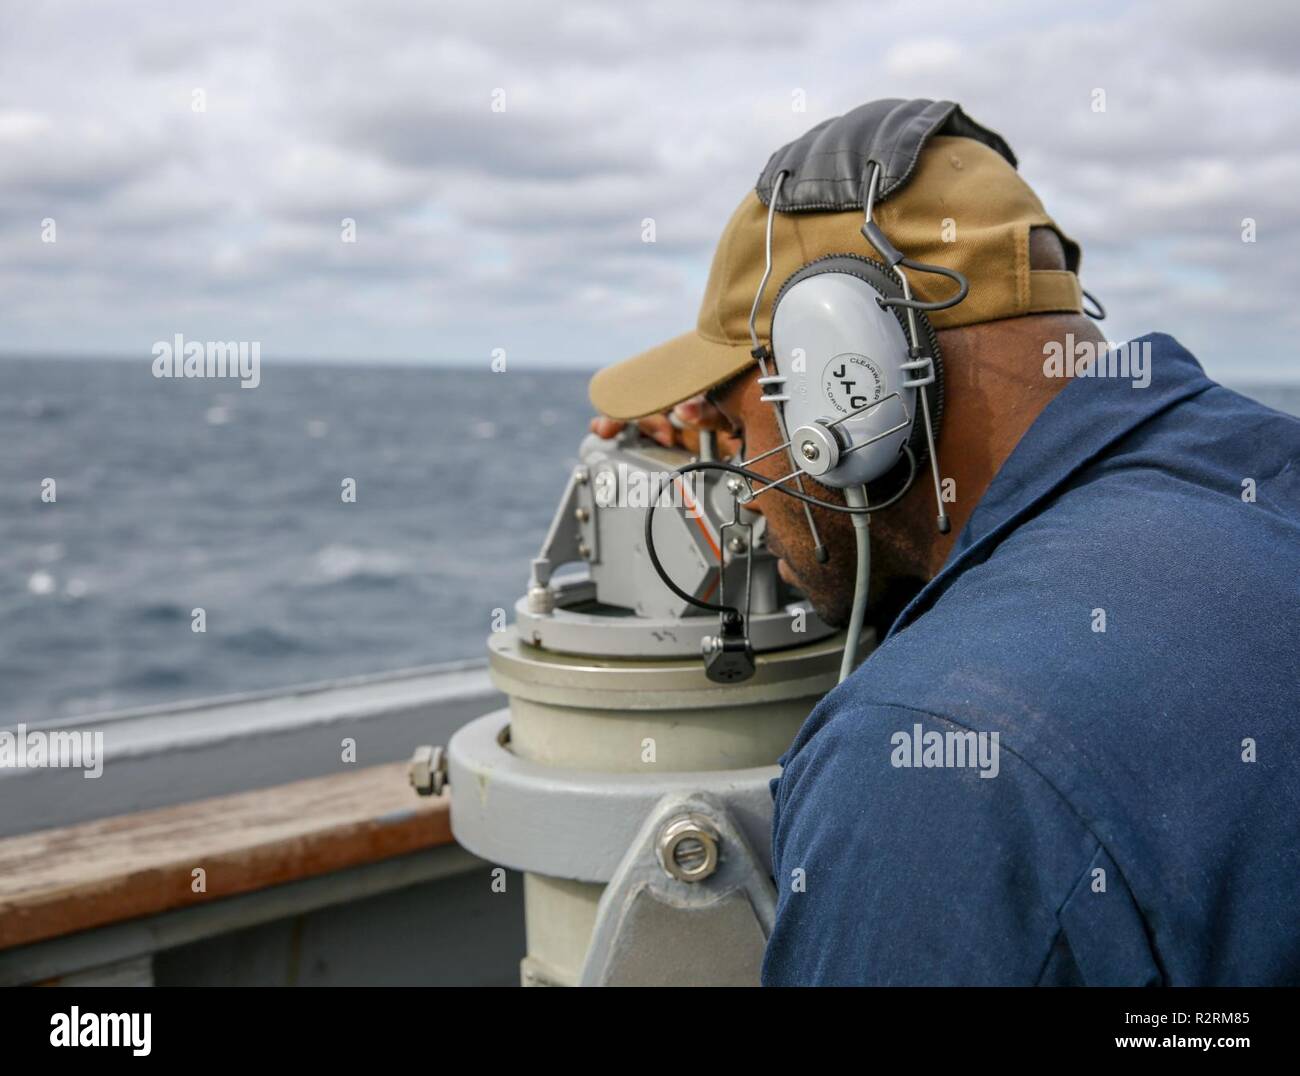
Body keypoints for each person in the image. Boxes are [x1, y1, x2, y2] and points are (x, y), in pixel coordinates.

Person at [587, 100, 1300, 986]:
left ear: (847, 391)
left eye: (736, 431)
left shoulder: (929, 756)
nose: (746, 483)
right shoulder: (1266, 480)